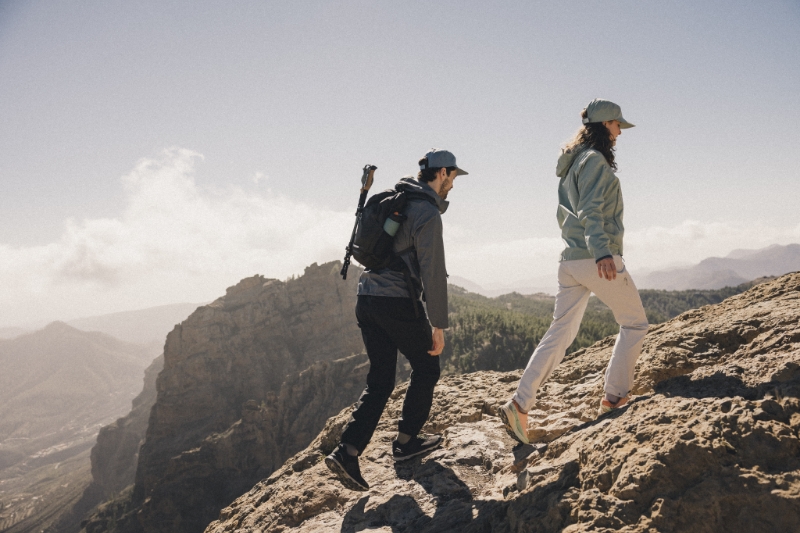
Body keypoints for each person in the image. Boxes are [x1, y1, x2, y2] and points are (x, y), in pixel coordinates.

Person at [499, 99, 649, 445]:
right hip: (596, 256)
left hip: (569, 261)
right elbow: (590, 210)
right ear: (603, 125)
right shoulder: (594, 160)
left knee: (560, 332)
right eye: (615, 125)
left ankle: (520, 404)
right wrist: (602, 253)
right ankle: (614, 398)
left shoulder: (571, 164)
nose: (618, 133)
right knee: (635, 323)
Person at [326, 148, 468, 491]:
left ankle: (347, 451)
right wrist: (439, 324)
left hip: (367, 298)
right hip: (396, 303)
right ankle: (406, 444)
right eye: (453, 177)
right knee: (427, 366)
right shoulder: (426, 213)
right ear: (443, 173)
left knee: (381, 379)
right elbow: (433, 273)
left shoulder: (395, 199)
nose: (453, 184)